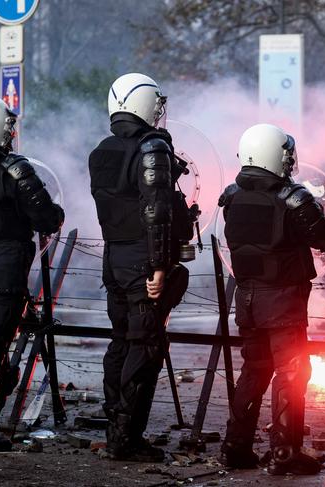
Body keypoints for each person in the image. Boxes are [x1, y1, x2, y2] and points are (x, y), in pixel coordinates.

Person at [218, 123, 325, 475]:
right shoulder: (293, 199)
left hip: (248, 299)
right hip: (283, 301)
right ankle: (286, 452)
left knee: (253, 372)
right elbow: (324, 236)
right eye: (286, 155)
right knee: (292, 372)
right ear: (276, 156)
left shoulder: (231, 197)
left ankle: (235, 447)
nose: (290, 162)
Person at [89, 73, 191, 462]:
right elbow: (156, 211)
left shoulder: (101, 150)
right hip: (141, 259)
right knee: (145, 344)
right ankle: (126, 439)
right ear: (147, 104)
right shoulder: (152, 148)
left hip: (113, 257)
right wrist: (160, 265)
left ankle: (114, 422)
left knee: (120, 340)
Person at [0, 94, 64, 451]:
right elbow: (48, 217)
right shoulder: (13, 168)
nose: (12, 132)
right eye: (8, 124)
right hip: (2, 275)